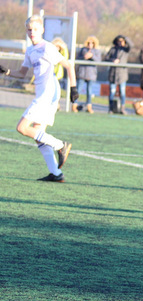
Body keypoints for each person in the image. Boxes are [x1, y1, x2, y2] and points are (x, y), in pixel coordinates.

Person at [0, 15, 78, 182]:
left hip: (48, 92)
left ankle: (60, 145)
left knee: (22, 127)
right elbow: (22, 73)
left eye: (35, 29)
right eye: (29, 29)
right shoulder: (30, 50)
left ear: (42, 30)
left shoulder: (48, 48)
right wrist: (6, 72)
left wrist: (73, 88)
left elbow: (69, 65)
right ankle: (56, 174)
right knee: (37, 133)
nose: (32, 32)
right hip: (42, 92)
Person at [105, 35, 132, 114]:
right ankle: (111, 108)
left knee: (122, 92)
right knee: (112, 92)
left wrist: (125, 38)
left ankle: (122, 108)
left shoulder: (125, 50)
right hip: (113, 74)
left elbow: (131, 45)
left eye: (122, 41)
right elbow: (106, 58)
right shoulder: (113, 49)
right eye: (119, 41)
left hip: (122, 75)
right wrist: (112, 60)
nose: (120, 43)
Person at [75, 36, 101, 114]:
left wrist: (92, 56)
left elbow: (98, 60)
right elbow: (78, 58)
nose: (90, 44)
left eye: (92, 43)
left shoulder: (97, 51)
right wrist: (84, 57)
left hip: (91, 74)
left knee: (89, 91)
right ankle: (74, 105)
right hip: (82, 73)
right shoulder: (83, 50)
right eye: (89, 43)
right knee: (78, 90)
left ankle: (89, 106)